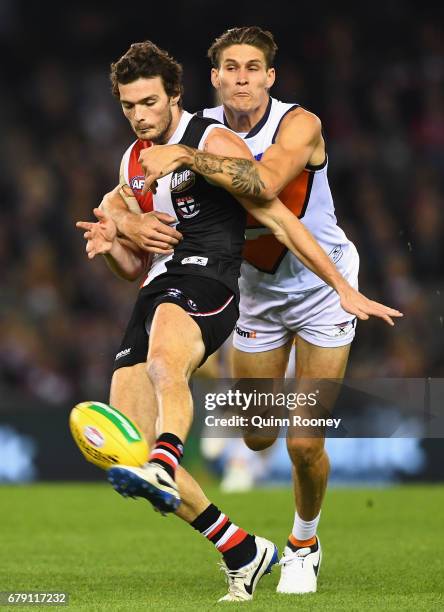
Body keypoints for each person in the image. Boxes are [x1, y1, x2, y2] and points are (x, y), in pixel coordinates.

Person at [77, 40, 401, 603]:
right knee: (255, 435)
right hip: (251, 292)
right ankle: (242, 550)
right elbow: (132, 259)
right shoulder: (135, 160)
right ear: (215, 79)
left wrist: (346, 289)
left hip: (301, 285)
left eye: (252, 69)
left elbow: (269, 197)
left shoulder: (274, 129)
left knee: (300, 440)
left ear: (270, 76)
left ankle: (303, 543)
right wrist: (118, 233)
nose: (242, 79)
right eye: (230, 69)